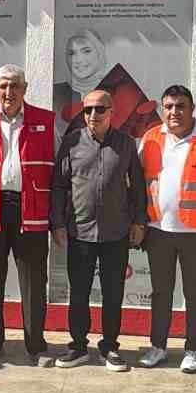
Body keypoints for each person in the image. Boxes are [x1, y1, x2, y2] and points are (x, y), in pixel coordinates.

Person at [137, 86, 196, 374]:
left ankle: (193, 349)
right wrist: (138, 223)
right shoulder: (151, 138)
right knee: (160, 292)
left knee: (195, 294)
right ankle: (158, 346)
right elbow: (137, 183)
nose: (174, 112)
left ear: (192, 109)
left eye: (180, 106)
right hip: (157, 230)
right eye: (168, 106)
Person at [51, 88, 146, 371]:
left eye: (100, 109)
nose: (93, 114)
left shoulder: (126, 144)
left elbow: (137, 186)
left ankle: (110, 347)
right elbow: (59, 186)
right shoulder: (71, 142)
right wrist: (57, 223)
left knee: (113, 293)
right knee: (79, 292)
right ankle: (78, 346)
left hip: (116, 232)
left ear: (111, 112)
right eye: (88, 109)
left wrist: (139, 221)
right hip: (80, 231)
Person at [0, 64, 55, 366]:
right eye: (3, 85)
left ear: (25, 88)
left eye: (15, 85)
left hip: (30, 208)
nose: (9, 91)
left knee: (33, 282)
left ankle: (36, 347)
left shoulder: (45, 120)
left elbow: (56, 166)